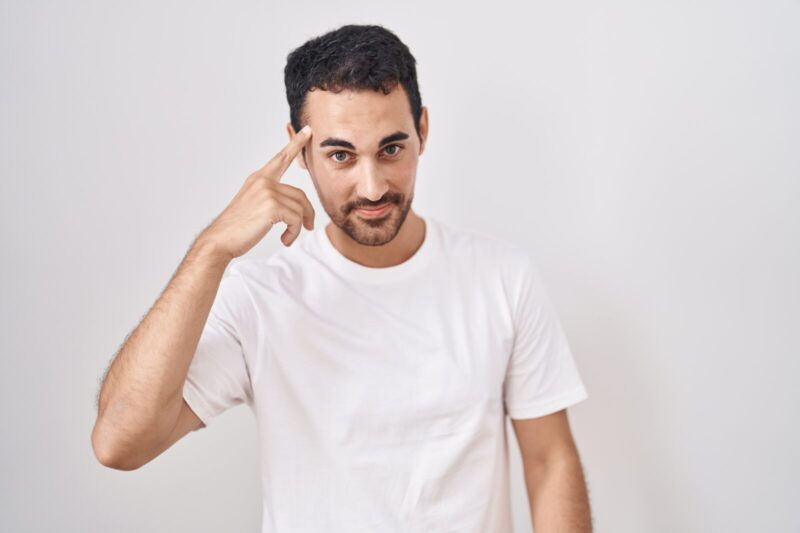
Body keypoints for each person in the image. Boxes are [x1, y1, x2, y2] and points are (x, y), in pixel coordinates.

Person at [92, 23, 593, 533]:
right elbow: (120, 442)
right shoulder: (261, 296)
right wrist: (211, 249)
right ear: (299, 150)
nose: (372, 187)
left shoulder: (500, 278)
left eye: (391, 149)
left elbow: (550, 462)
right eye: (341, 155)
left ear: (422, 130)